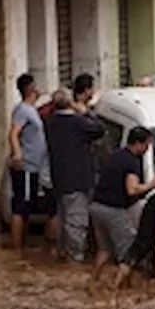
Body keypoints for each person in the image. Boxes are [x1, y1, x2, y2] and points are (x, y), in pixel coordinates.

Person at [90, 127, 155, 282]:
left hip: (97, 207)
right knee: (129, 251)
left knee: (104, 250)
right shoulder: (132, 161)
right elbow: (132, 189)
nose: (147, 149)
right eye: (146, 145)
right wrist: (152, 184)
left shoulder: (116, 155)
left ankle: (93, 281)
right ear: (138, 143)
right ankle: (121, 288)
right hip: (113, 210)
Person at [45, 85, 105, 262]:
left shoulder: (50, 122)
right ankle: (74, 257)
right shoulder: (78, 123)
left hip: (59, 178)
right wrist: (85, 112)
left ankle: (63, 253)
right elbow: (100, 130)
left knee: (64, 218)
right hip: (77, 179)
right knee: (76, 221)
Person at [9, 73, 54, 252]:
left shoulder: (31, 109)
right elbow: (13, 133)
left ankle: (22, 246)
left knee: (27, 206)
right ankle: (17, 249)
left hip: (34, 167)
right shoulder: (22, 110)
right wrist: (18, 154)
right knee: (22, 206)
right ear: (31, 89)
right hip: (26, 166)